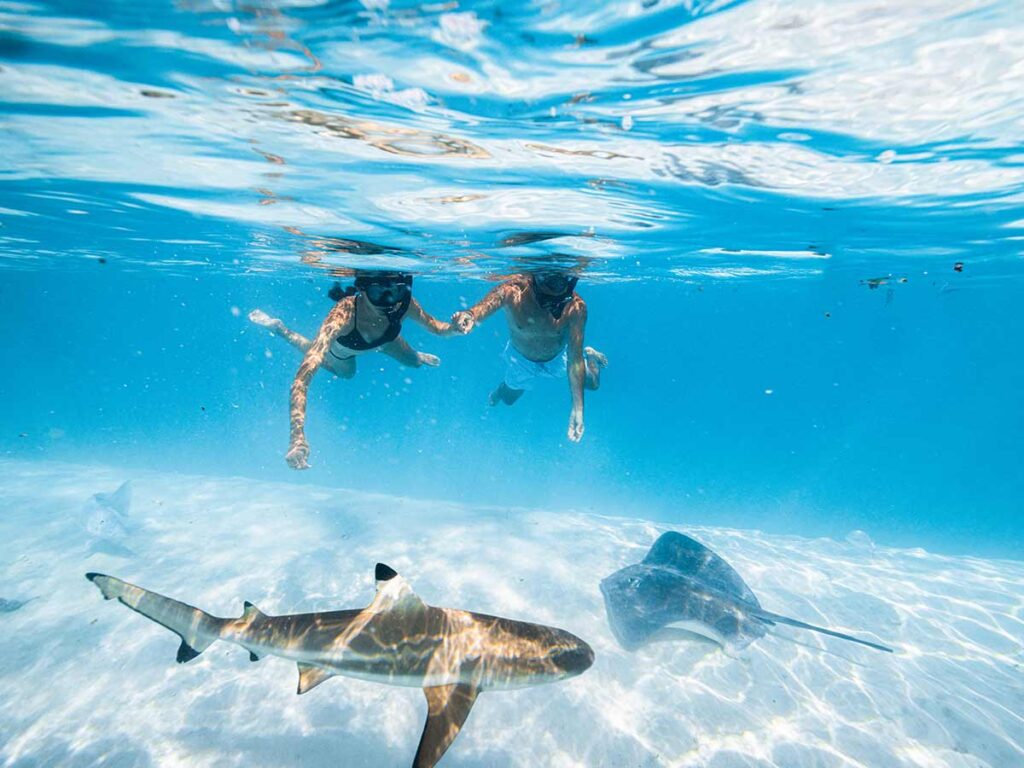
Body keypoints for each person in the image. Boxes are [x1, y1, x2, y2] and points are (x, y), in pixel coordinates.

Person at [249, 271, 460, 469]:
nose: (389, 301)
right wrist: (297, 438)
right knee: (342, 372)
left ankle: (415, 354)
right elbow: (301, 382)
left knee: (414, 362)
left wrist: (455, 327)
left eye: (396, 291)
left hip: (387, 341)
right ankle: (281, 330)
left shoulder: (403, 304)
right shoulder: (342, 316)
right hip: (345, 351)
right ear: (363, 290)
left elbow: (439, 328)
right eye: (379, 292)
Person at [451, 268, 606, 442]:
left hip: (557, 359)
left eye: (560, 299)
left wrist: (578, 408)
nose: (553, 307)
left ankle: (591, 356)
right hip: (521, 360)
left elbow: (574, 358)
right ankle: (501, 389)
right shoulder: (513, 292)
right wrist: (470, 315)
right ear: (532, 282)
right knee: (509, 399)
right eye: (546, 300)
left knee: (593, 383)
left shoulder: (576, 307)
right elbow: (486, 305)